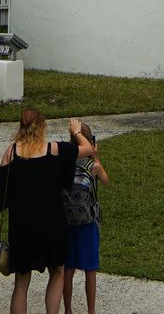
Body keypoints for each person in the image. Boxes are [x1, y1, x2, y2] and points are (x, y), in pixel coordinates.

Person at [0, 107, 97, 314]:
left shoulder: (11, 153)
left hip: (21, 225)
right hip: (51, 223)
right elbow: (87, 149)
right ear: (41, 127)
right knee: (57, 272)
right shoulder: (55, 149)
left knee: (21, 283)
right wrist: (75, 132)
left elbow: (0, 193)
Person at [61, 123, 109, 314]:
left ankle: (68, 310)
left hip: (66, 223)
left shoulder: (63, 164)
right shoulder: (93, 166)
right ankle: (91, 311)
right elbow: (105, 181)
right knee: (90, 270)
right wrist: (95, 156)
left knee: (68, 269)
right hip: (88, 224)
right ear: (90, 142)